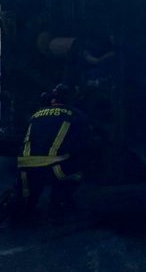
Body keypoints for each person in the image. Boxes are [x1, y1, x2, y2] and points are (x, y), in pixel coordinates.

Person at [15, 84, 93, 217]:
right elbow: (83, 144)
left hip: (24, 168)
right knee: (79, 168)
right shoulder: (77, 116)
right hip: (53, 170)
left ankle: (27, 206)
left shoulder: (36, 114)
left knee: (26, 199)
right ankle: (60, 201)